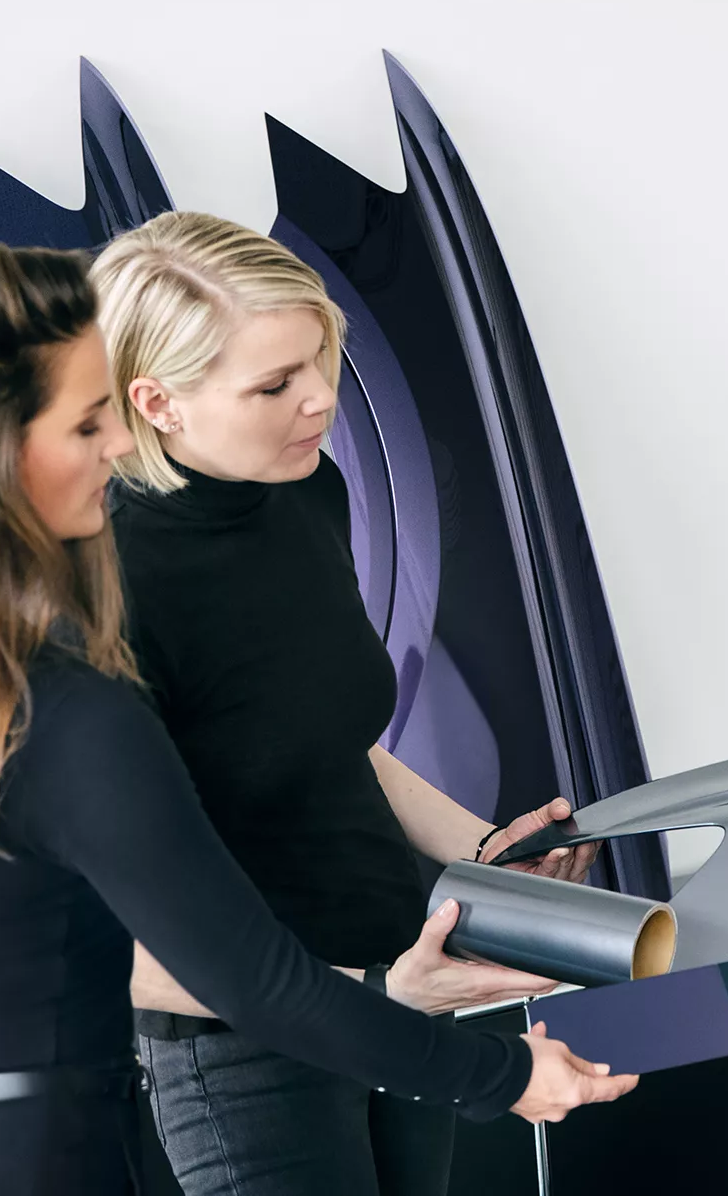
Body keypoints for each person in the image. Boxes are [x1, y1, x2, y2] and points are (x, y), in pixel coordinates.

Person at [0, 239, 632, 1196]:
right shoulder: (67, 687)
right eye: (89, 422)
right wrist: (499, 1072)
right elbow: (252, 978)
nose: (117, 447)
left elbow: (310, 742)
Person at [90, 211, 599, 1196]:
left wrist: (485, 851)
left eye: (322, 358)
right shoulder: (104, 589)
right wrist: (371, 994)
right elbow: (107, 942)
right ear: (157, 401)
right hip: (245, 1049)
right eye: (274, 384)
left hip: (400, 990)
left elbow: (328, 741)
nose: (322, 398)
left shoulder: (305, 491)